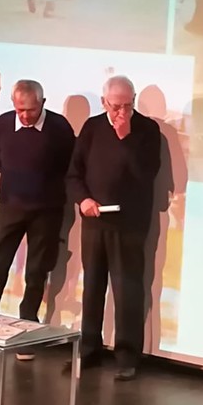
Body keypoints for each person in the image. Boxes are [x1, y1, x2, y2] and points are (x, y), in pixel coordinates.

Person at [0, 80, 75, 362]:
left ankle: (26, 332)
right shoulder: (3, 124)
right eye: (19, 109)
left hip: (46, 211)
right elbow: (0, 160)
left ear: (43, 103)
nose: (24, 115)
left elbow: (68, 166)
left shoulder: (59, 128)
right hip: (11, 207)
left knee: (36, 272)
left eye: (30, 110)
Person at [65, 75, 161, 381]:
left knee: (128, 289)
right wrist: (83, 199)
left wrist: (125, 138)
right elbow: (74, 173)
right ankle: (89, 349)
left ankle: (127, 356)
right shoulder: (92, 127)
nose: (122, 112)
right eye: (116, 106)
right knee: (92, 287)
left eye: (128, 105)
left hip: (129, 224)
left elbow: (146, 174)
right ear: (104, 102)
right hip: (95, 222)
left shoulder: (146, 130)